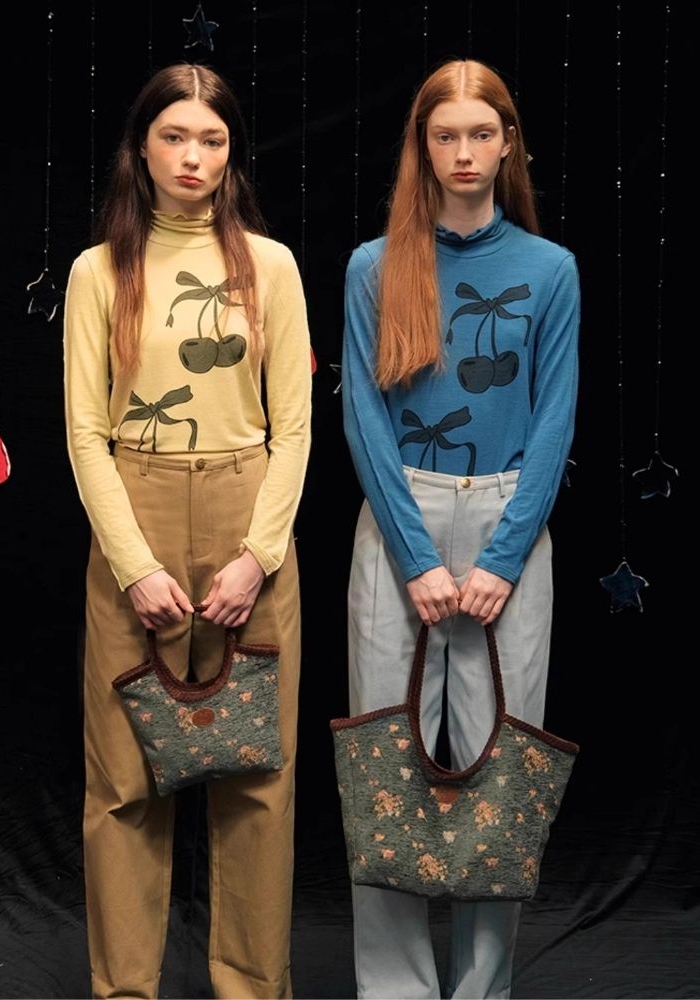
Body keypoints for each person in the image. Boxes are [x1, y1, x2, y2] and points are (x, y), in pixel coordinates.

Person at [63, 62, 311, 999]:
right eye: (174, 136)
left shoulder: (271, 266)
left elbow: (294, 428)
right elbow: (85, 431)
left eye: (212, 139)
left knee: (256, 782)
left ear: (231, 153)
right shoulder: (99, 271)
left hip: (250, 517)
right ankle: (125, 990)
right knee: (125, 783)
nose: (192, 156)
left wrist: (259, 557)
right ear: (142, 148)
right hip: (137, 512)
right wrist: (132, 565)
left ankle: (251, 988)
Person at [341, 58, 579, 999]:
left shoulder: (550, 270)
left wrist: (504, 557)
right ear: (423, 145)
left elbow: (555, 416)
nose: (465, 152)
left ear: (509, 142)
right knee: (384, 761)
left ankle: (483, 988)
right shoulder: (374, 265)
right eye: (446, 135)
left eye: (483, 133)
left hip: (509, 518)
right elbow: (363, 415)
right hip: (401, 513)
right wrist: (413, 557)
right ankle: (394, 988)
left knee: (503, 766)